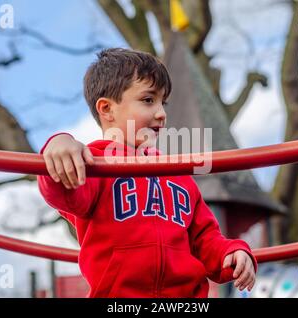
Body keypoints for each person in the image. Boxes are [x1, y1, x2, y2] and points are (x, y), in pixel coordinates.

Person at [37, 48, 257, 298]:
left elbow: (205, 239)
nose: (162, 113)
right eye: (148, 100)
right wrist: (59, 145)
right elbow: (64, 191)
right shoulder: (94, 165)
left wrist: (232, 252)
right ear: (107, 109)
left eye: (163, 102)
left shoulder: (178, 174)